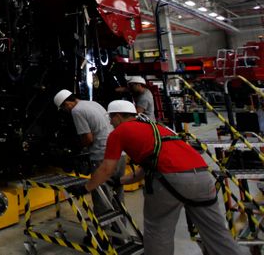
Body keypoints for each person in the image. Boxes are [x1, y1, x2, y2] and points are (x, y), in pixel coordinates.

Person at [73, 100, 243, 255]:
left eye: (111, 118)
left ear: (117, 116)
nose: (110, 122)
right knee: (216, 231)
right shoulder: (157, 127)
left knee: (158, 230)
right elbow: (148, 166)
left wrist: (86, 187)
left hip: (170, 180)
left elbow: (106, 169)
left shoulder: (119, 132)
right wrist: (122, 181)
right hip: (202, 176)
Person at [53, 89, 124, 215]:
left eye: (64, 108)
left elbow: (88, 138)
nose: (66, 111)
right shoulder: (93, 103)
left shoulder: (77, 111)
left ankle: (103, 232)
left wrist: (76, 149)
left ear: (67, 103)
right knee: (117, 193)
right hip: (120, 153)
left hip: (102, 155)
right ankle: (119, 230)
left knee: (102, 196)